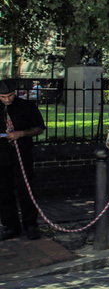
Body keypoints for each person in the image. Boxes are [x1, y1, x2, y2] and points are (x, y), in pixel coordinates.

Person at [0, 79, 46, 240]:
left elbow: (39, 128)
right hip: (2, 155)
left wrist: (21, 134)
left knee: (25, 189)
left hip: (22, 154)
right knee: (4, 191)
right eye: (3, 97)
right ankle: (10, 225)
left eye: (10, 96)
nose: (7, 100)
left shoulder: (27, 107)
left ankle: (30, 225)